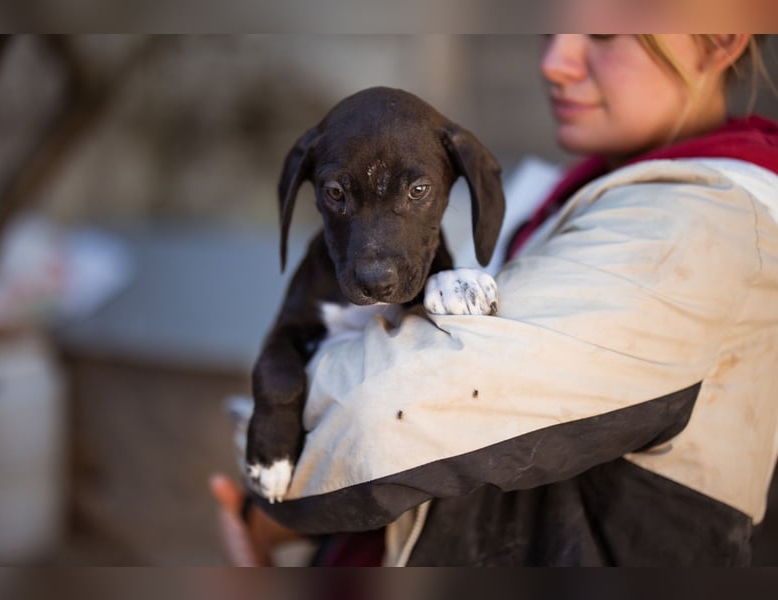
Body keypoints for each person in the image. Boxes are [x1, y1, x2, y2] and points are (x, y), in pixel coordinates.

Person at [210, 34, 778, 566]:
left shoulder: (700, 220)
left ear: (724, 38)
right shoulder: (573, 195)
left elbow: (392, 414)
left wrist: (269, 511)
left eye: (605, 34)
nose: (555, 61)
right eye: (552, 29)